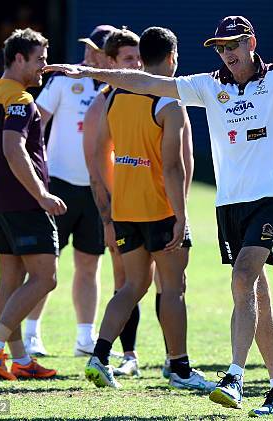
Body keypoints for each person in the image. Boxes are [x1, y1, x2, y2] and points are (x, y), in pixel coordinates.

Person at [44, 15, 273, 416]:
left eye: (233, 45)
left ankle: (234, 376)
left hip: (272, 196)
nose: (227, 54)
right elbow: (147, 83)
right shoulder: (209, 86)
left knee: (243, 276)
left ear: (251, 42)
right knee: (255, 290)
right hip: (231, 201)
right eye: (221, 47)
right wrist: (90, 71)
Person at [83, 26, 213, 392]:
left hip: (126, 210)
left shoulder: (115, 97)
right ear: (172, 58)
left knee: (131, 285)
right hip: (160, 210)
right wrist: (182, 216)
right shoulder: (170, 103)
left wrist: (113, 197)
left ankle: (100, 355)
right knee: (173, 288)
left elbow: (100, 152)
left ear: (143, 57)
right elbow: (174, 167)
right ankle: (180, 368)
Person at [0, 28, 64, 380]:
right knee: (46, 278)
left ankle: (21, 359)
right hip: (25, 204)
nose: (44, 66)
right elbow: (13, 148)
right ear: (19, 59)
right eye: (39, 59)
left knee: (10, 280)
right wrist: (41, 194)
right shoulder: (21, 100)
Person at [24, 25, 116, 357]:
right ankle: (31, 332)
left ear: (109, 57)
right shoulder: (63, 81)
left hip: (97, 188)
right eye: (89, 47)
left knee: (90, 264)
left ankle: (85, 338)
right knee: (45, 264)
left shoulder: (117, 89)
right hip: (59, 184)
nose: (89, 54)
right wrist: (38, 172)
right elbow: (36, 124)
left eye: (97, 49)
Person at [82, 27, 143, 377]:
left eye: (138, 58)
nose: (135, 65)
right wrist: (107, 220)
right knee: (126, 282)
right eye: (128, 59)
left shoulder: (153, 93)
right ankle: (128, 355)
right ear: (109, 62)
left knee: (170, 283)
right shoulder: (101, 104)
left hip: (157, 207)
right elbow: (95, 170)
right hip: (122, 212)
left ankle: (175, 362)